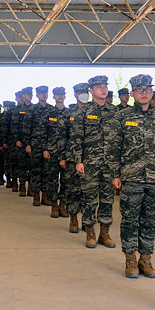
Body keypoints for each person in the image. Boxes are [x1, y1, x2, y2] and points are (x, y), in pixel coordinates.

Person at [109, 74, 155, 278]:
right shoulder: (122, 117)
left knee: (150, 220)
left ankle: (145, 259)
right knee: (130, 220)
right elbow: (113, 147)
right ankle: (130, 258)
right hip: (131, 177)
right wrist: (115, 174)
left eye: (147, 89)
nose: (144, 93)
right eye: (139, 90)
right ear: (131, 93)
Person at [68, 75, 117, 249]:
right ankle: (90, 233)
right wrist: (78, 160)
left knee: (107, 199)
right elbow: (75, 139)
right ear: (91, 90)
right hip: (90, 163)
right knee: (89, 199)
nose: (103, 89)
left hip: (109, 164)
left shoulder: (115, 112)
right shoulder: (83, 112)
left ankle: (105, 233)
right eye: (98, 87)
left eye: (104, 86)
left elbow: (119, 139)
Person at [64, 82, 89, 233]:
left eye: (86, 91)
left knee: (89, 192)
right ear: (75, 94)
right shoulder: (69, 113)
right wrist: (62, 157)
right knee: (73, 190)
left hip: (91, 158)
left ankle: (87, 221)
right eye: (80, 91)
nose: (83, 93)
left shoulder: (94, 111)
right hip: (72, 158)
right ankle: (73, 218)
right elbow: (62, 136)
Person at [43, 87, 70, 219]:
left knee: (66, 180)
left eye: (62, 94)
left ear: (65, 96)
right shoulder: (49, 112)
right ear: (53, 97)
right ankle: (54, 205)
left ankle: (63, 205)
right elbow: (43, 132)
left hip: (66, 152)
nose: (60, 96)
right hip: (52, 151)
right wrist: (45, 149)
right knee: (52, 180)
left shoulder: (70, 113)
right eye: (57, 94)